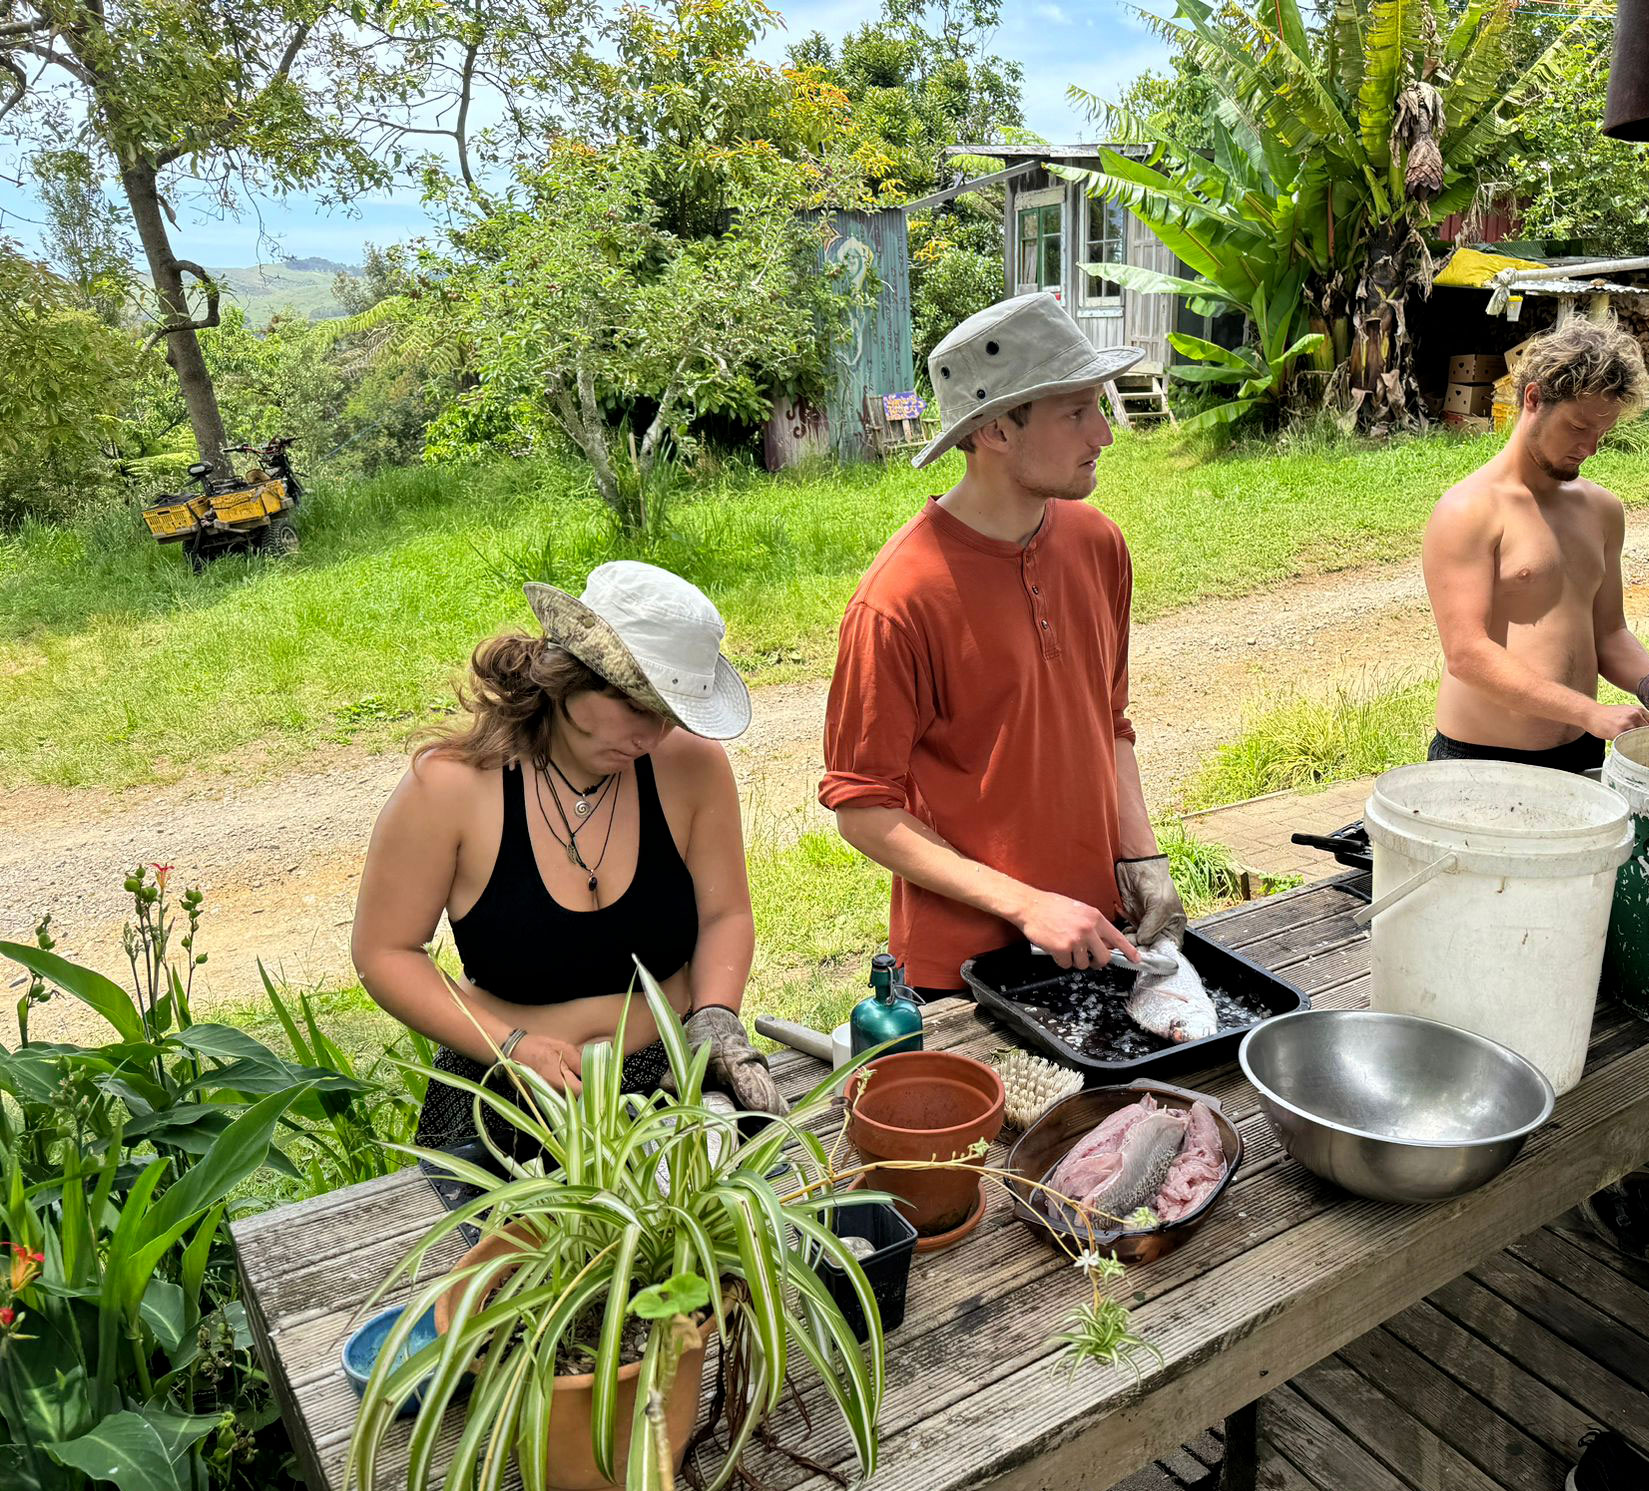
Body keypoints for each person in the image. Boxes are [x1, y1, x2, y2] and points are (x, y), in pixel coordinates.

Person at [818, 292, 1186, 996]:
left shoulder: (1098, 544)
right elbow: (864, 810)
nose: (1103, 435)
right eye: (1076, 412)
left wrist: (1143, 858)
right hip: (964, 970)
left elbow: (1109, 723)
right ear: (994, 432)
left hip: (1101, 936)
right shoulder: (898, 601)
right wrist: (1028, 905)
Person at [352, 561, 776, 1161]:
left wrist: (714, 1018)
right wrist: (513, 1046)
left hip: (671, 1079)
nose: (651, 736)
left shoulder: (692, 768)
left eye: (669, 715)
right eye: (636, 705)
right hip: (508, 1088)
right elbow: (384, 953)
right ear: (568, 674)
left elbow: (724, 913)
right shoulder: (449, 788)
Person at [1422, 319, 1649, 774]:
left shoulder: (1601, 509)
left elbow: (1608, 633)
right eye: (1578, 427)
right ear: (1534, 399)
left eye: (1601, 434)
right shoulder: (1468, 511)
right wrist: (1591, 712)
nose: (1589, 448)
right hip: (1484, 762)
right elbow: (1468, 655)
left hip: (1583, 752)